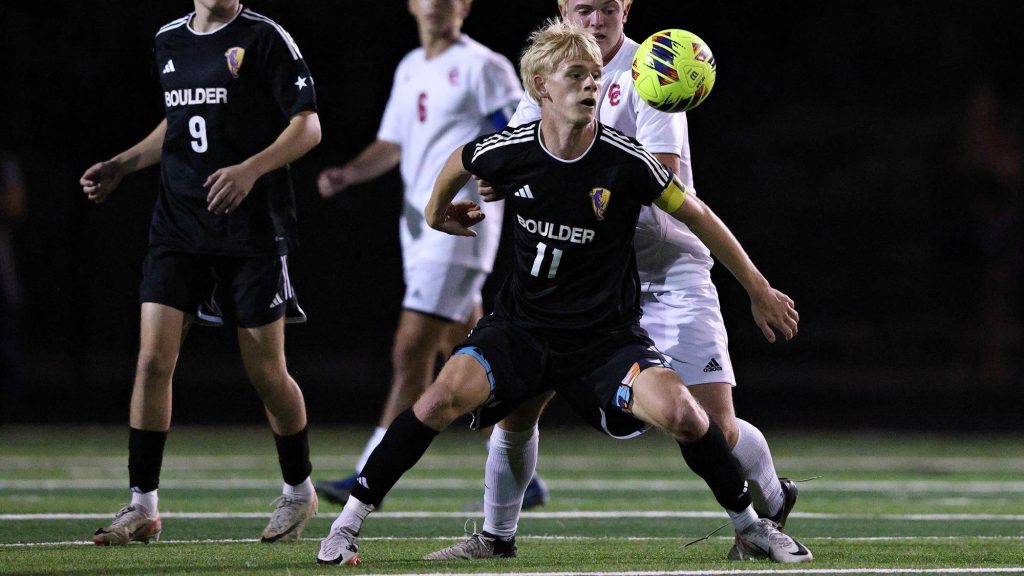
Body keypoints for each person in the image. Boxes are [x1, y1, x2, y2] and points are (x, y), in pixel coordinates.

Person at [315, 18, 811, 566]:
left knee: (691, 417)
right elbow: (463, 158)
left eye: (595, 77)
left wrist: (758, 287)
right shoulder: (516, 145)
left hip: (605, 336)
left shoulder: (627, 159)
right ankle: (349, 527)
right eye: (577, 76)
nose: (591, 86)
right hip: (524, 328)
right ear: (542, 89)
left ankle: (753, 525)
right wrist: (436, 214)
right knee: (440, 399)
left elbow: (698, 214)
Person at [79, 0, 321, 545]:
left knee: (267, 374)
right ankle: (143, 506)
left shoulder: (265, 38)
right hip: (178, 226)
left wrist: (250, 170)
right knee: (151, 361)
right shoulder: (168, 39)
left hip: (251, 230)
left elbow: (308, 126)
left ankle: (299, 491)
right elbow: (177, 121)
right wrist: (122, 164)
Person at [313, 0, 549, 508]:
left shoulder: (484, 65)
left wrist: (500, 176)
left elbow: (515, 129)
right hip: (418, 228)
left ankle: (367, 474)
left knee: (410, 349)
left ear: (465, 6)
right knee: (476, 350)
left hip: (460, 226)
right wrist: (349, 173)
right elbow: (392, 143)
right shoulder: (409, 67)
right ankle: (517, 469)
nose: (437, 4)